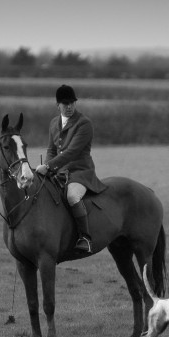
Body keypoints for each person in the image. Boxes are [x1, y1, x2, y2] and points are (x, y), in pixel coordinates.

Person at [36, 84, 107, 253]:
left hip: (80, 173)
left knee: (72, 196)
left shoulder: (84, 124)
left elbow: (72, 152)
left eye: (72, 103)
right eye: (65, 104)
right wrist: (48, 168)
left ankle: (85, 238)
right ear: (57, 105)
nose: (69, 107)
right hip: (59, 173)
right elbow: (51, 150)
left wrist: (47, 166)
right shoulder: (54, 123)